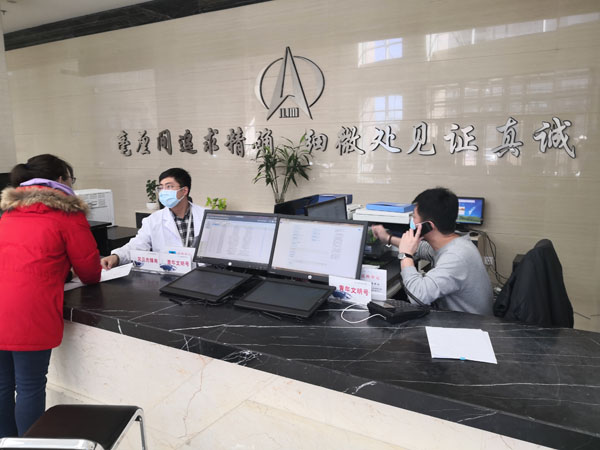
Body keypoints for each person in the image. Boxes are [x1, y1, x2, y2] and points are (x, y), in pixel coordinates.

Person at [0, 154, 101, 437]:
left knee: (3, 386)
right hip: (28, 310)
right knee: (30, 386)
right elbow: (89, 270)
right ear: (60, 180)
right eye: (71, 179)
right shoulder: (68, 213)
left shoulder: (10, 212)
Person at [372, 187, 493, 315]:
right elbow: (422, 248)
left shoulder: (456, 256)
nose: (411, 221)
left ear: (428, 226)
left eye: (414, 217)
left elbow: (417, 296)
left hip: (467, 324)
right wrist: (388, 238)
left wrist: (405, 255)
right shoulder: (455, 243)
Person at [101, 168, 205, 269]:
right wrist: (117, 257)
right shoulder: (153, 220)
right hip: (170, 273)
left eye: (169, 186)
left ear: (184, 190)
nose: (163, 191)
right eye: (161, 187)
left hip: (202, 273)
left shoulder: (204, 215)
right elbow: (137, 245)